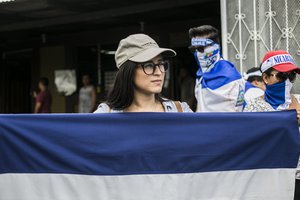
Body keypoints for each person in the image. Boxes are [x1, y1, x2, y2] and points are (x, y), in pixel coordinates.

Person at [243, 50, 300, 200]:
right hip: (272, 182)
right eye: (281, 76)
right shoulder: (254, 108)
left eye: (291, 76)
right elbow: (250, 145)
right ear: (266, 78)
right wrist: (285, 124)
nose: (287, 82)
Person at [94, 34, 192, 113]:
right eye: (148, 65)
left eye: (161, 64)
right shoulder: (105, 115)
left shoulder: (180, 111)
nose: (159, 72)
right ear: (128, 72)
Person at [188, 25, 244, 112]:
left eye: (201, 48)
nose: (198, 54)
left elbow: (236, 112)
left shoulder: (230, 76)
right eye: (193, 50)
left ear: (215, 47)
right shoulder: (200, 76)